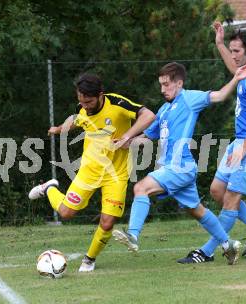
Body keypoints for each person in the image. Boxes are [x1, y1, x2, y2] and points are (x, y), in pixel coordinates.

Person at [112, 61, 246, 265]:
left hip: (178, 167)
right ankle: (228, 244)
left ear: (179, 83)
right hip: (177, 168)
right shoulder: (163, 110)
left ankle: (133, 235)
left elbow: (220, 96)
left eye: (166, 84)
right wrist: (125, 142)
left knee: (141, 188)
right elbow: (147, 137)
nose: (162, 89)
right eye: (161, 85)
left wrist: (236, 78)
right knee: (196, 210)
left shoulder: (189, 98)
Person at [28, 73, 156, 272]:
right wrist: (59, 128)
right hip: (90, 170)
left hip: (117, 174)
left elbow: (149, 116)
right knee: (66, 213)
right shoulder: (82, 108)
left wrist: (127, 137)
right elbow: (76, 120)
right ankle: (50, 187)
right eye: (81, 101)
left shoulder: (118, 104)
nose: (84, 105)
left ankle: (89, 259)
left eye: (88, 101)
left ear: (100, 95)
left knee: (107, 222)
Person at [177, 22, 246, 264]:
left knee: (231, 197)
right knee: (217, 191)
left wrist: (245, 147)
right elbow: (234, 69)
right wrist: (219, 43)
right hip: (240, 142)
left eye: (237, 51)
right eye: (231, 51)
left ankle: (207, 251)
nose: (233, 56)